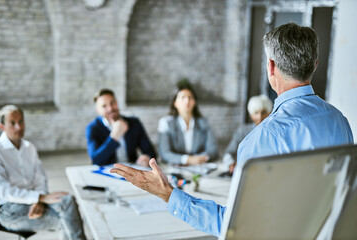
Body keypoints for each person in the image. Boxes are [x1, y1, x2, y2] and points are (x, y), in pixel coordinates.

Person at [110, 23, 354, 237]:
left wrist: (168, 195)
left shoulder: (262, 138)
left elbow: (239, 228)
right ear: (315, 64)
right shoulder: (340, 121)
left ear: (271, 67)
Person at [0, 105, 86, 240]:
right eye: (12, 123)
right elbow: (4, 191)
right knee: (68, 220)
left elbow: (40, 179)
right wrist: (39, 198)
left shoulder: (29, 147)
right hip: (9, 210)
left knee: (67, 200)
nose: (19, 127)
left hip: (33, 200)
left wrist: (39, 200)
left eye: (21, 121)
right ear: (2, 126)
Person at [86, 88, 157, 166]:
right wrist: (115, 136)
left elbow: (151, 152)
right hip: (107, 172)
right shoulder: (92, 128)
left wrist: (146, 158)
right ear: (98, 110)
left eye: (112, 103)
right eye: (104, 106)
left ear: (117, 102)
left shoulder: (134, 123)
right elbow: (96, 159)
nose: (110, 108)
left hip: (131, 170)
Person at [158, 80, 218, 165]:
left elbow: (213, 150)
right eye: (182, 97)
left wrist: (199, 159)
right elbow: (165, 153)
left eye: (190, 97)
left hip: (200, 166)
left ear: (194, 102)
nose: (187, 101)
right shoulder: (166, 123)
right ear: (175, 103)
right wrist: (187, 160)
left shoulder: (204, 122)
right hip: (175, 168)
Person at [223, 95, 272, 173]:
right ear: (250, 114)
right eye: (256, 113)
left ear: (269, 113)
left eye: (263, 112)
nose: (260, 117)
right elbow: (228, 153)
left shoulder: (273, 132)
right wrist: (230, 163)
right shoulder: (242, 131)